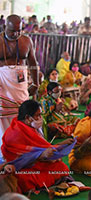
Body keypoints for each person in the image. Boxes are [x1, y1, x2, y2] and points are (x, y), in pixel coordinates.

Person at [1, 100, 76, 193]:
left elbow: (42, 147)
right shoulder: (15, 133)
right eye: (38, 115)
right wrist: (41, 155)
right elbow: (20, 160)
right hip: (20, 168)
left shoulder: (28, 127)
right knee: (22, 179)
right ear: (28, 117)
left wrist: (61, 145)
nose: (40, 118)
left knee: (61, 167)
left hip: (37, 164)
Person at [0, 14, 39, 162]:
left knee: (23, 114)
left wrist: (35, 83)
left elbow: (33, 64)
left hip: (21, 85)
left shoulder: (26, 41)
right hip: (2, 84)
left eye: (19, 31)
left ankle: (22, 150)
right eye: (12, 31)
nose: (16, 34)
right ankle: (4, 153)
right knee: (2, 117)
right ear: (5, 28)